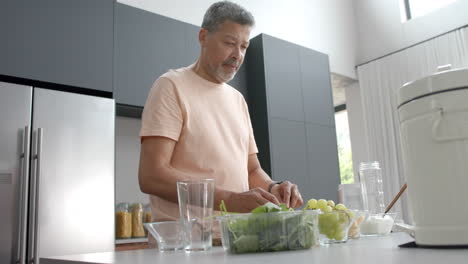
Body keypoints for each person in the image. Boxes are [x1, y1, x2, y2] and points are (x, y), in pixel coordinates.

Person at [138, 1, 303, 226]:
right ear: (203, 37)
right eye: (229, 43)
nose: (238, 55)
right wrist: (229, 200)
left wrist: (274, 187)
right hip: (184, 246)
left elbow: (252, 169)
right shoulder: (171, 86)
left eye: (244, 46)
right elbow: (152, 176)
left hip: (237, 238)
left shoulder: (238, 100)